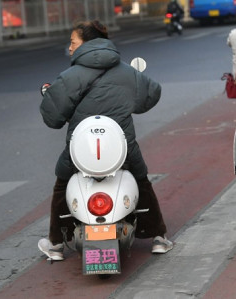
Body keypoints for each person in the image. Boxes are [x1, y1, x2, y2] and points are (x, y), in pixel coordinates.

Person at [37, 20, 173, 260]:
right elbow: (152, 94)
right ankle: (158, 237)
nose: (70, 48)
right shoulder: (126, 71)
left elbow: (52, 117)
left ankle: (56, 244)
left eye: (73, 42)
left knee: (62, 183)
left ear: (86, 44)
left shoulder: (69, 77)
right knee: (141, 179)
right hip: (122, 145)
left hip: (80, 150)